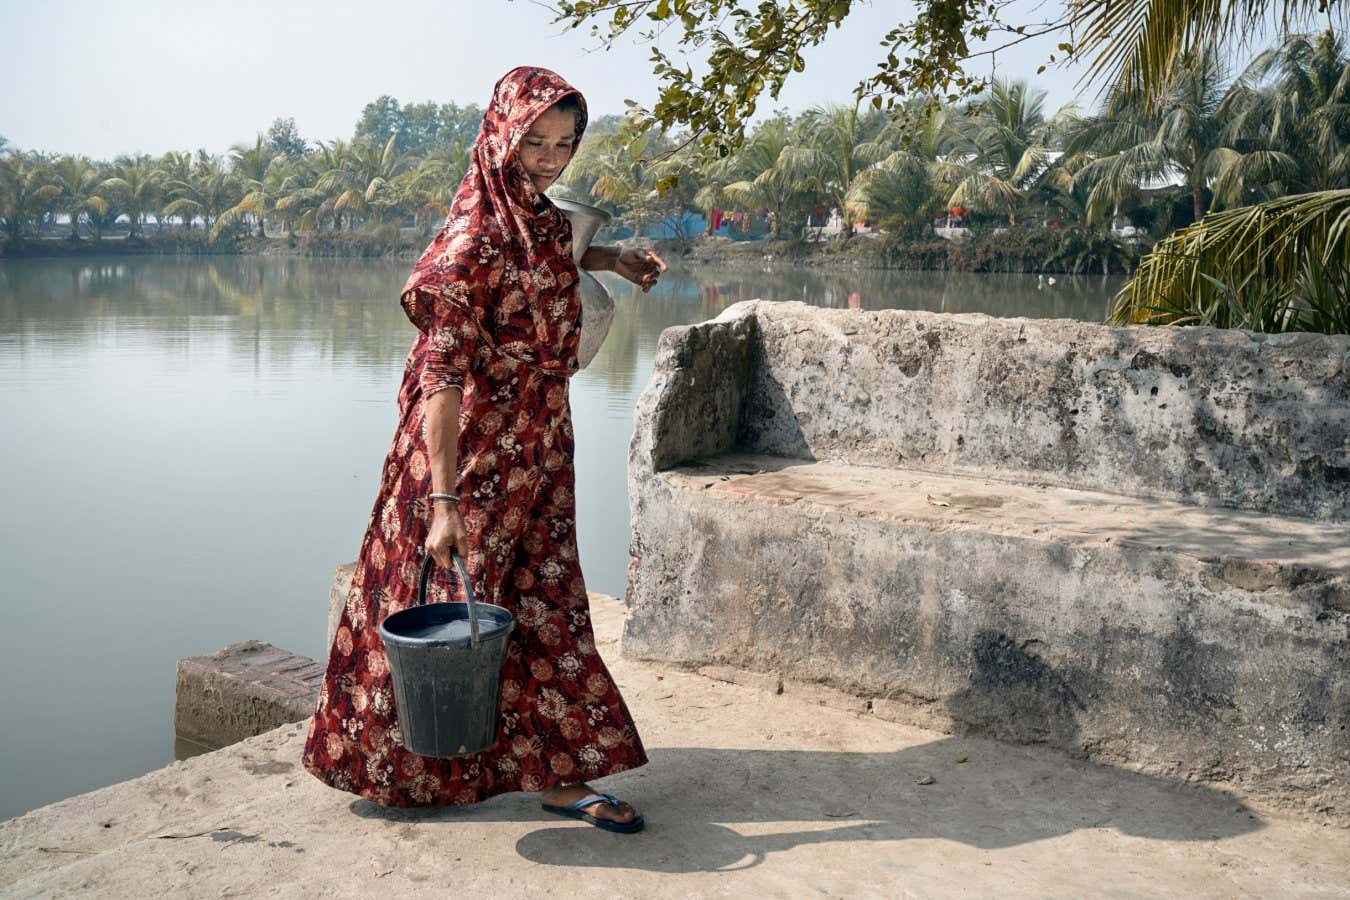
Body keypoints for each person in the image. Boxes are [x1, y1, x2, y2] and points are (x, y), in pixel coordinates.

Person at [302, 66, 667, 833]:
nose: (548, 157)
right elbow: (441, 377)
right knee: (442, 614)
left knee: (544, 607)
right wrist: (440, 503)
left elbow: (545, 254)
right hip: (463, 459)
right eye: (534, 141)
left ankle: (563, 776)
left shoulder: (534, 216)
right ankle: (407, 770)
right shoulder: (469, 238)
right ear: (500, 133)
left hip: (535, 450)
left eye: (563, 144)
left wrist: (611, 261)